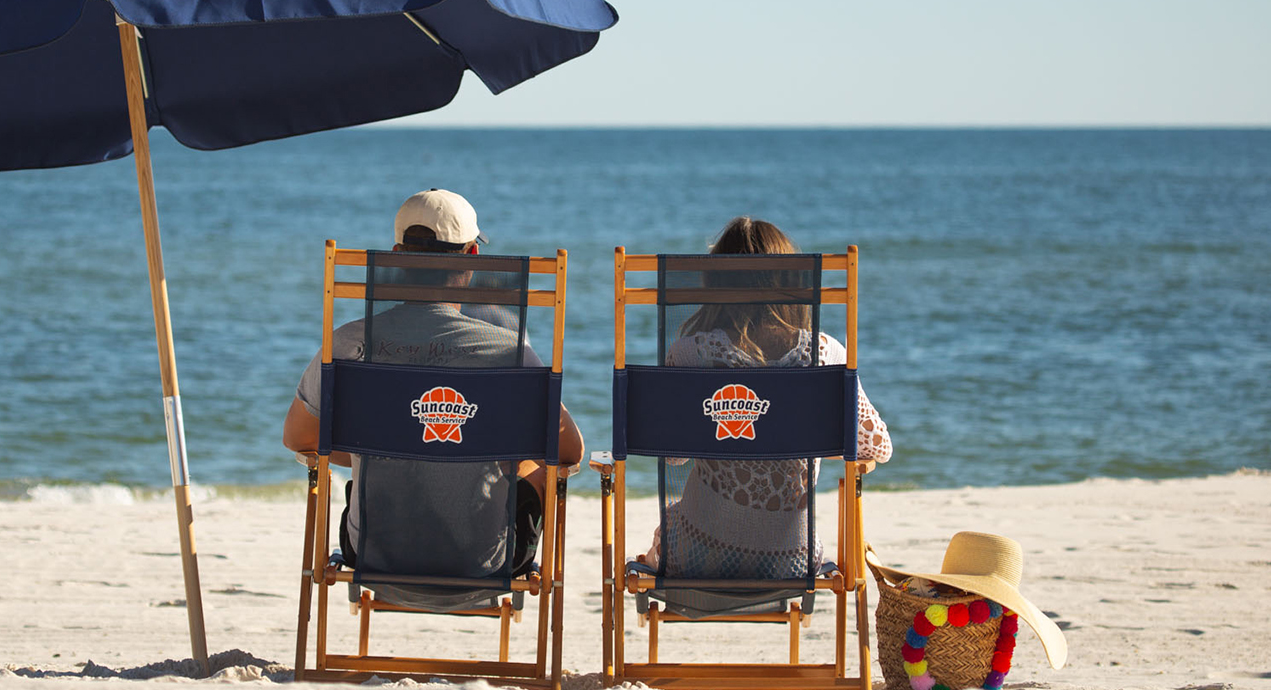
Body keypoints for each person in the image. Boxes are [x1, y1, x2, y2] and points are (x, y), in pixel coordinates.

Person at [283, 189, 583, 586]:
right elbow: (569, 451)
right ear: (473, 257)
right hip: (486, 563)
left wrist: (380, 452)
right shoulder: (509, 354)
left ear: (395, 254)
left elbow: (299, 437)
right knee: (534, 466)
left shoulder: (345, 345)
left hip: (374, 553)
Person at [642, 216, 891, 580]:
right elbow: (877, 447)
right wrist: (813, 439)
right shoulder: (824, 355)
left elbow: (670, 455)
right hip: (792, 560)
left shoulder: (689, 354)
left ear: (714, 283)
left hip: (696, 556)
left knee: (658, 544)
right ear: (790, 282)